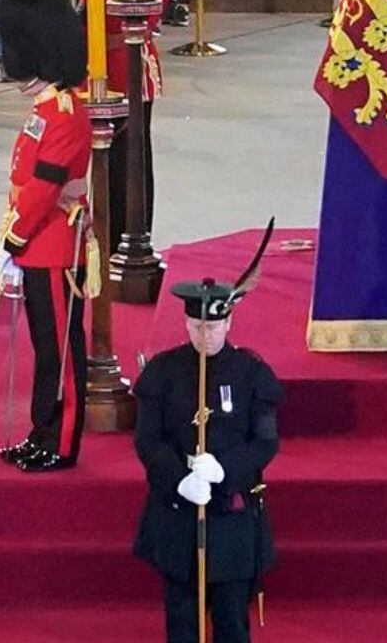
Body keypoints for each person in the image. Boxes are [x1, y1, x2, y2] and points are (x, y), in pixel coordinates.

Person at [133, 272, 284, 643]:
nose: (206, 335)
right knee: (183, 621)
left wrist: (225, 470)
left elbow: (265, 442)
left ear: (229, 322)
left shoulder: (252, 374)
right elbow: (148, 440)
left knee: (232, 621)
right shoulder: (163, 372)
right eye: (198, 326)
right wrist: (179, 479)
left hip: (230, 515)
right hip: (179, 511)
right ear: (186, 323)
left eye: (214, 327)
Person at [0, 0, 93, 473]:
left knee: (62, 352)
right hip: (38, 245)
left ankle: (64, 438)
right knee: (44, 348)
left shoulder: (66, 113)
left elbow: (44, 188)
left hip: (52, 247)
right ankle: (41, 431)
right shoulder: (47, 107)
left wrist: (13, 239)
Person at [83, 0, 168, 252]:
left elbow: (87, 22)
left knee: (111, 160)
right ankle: (141, 232)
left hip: (109, 69)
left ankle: (112, 235)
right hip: (144, 71)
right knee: (142, 157)